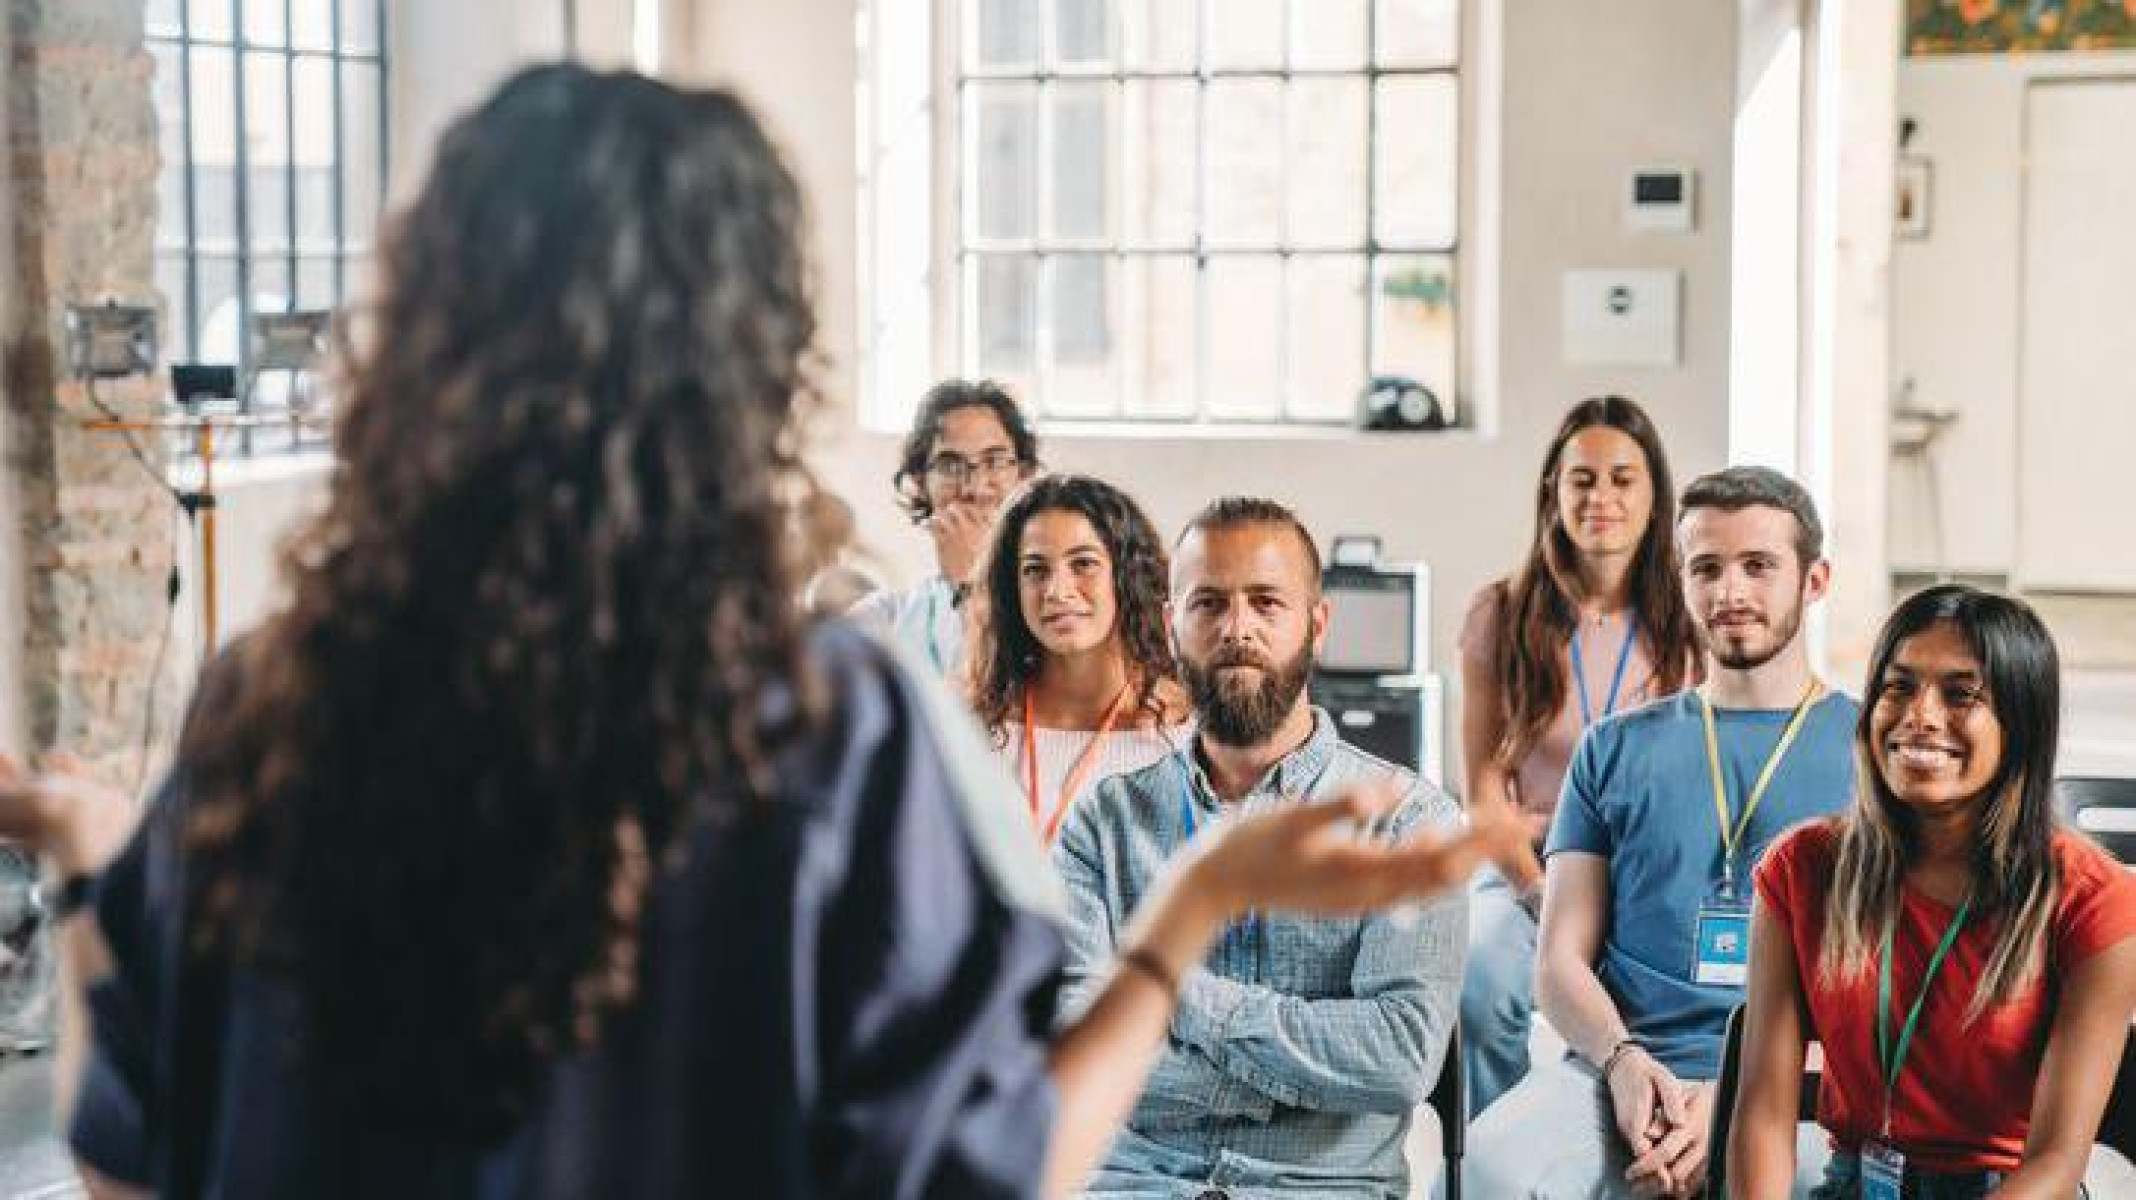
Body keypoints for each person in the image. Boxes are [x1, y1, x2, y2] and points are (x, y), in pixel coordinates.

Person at [0, 66, 1539, 1200]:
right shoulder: (830, 727)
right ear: (753, 366)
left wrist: (88, 862)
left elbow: (128, 1164)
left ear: (425, 339)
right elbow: (988, 1174)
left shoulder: (267, 703)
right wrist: (1185, 921)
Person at [1056, 497, 1476, 1199]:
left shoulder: (1410, 822)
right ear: (1171, 625)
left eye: (1266, 602)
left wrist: (1170, 994)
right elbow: (1072, 1041)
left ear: (1317, 623)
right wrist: (1288, 1079)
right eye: (1209, 604)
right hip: (1134, 1185)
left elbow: (1398, 1059)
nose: (1237, 627)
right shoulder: (1105, 822)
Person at [1466, 466, 1860, 1199]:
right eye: (1706, 568)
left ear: (1814, 581)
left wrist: (1747, 1092)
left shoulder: (1873, 751)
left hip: (1802, 1089)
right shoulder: (1614, 748)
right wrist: (1621, 1062)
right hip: (1619, 1070)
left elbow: (1888, 993)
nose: (1729, 592)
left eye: (1758, 566)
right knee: (1494, 1165)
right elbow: (1559, 963)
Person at [1730, 585, 2136, 1199]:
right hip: (1856, 1183)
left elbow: (2055, 1163)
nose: (1919, 715)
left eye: (1960, 693)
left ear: (2020, 723)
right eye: (1898, 686)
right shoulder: (1801, 869)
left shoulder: (2095, 901)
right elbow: (1762, 1110)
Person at [1457, 396, 1700, 1116]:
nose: (1602, 498)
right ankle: (1499, 1150)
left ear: (1655, 496)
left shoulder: (1690, 623)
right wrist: (1543, 897)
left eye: (1623, 479)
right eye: (1582, 479)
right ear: (1552, 494)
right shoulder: (1499, 613)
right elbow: (1481, 800)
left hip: (1647, 876)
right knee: (1477, 985)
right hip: (1525, 873)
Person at [964, 474, 1192, 848]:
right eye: (1035, 570)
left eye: (1083, 563)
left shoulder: (1178, 732)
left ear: (1126, 576)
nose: (1057, 591)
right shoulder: (975, 728)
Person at [849, 378, 1039, 676]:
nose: (975, 488)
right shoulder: (889, 615)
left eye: (995, 461)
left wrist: (970, 584)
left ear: (1024, 475)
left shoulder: (1056, 604)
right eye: (951, 466)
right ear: (921, 481)